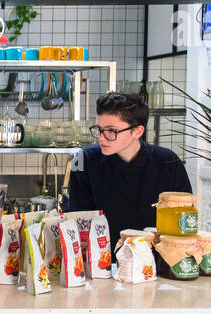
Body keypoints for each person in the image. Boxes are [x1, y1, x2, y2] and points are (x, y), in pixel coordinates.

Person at [66, 90, 192, 245]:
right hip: (101, 261)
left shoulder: (168, 162)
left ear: (137, 131)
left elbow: (184, 223)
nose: (101, 137)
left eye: (112, 131)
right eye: (99, 129)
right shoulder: (85, 159)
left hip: (156, 261)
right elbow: (78, 220)